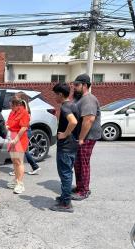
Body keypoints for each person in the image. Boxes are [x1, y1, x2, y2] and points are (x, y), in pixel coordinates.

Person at [50, 83, 79, 213]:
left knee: (65, 174)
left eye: (55, 94)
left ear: (60, 94)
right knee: (67, 173)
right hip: (72, 145)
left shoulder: (66, 107)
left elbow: (73, 121)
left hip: (66, 146)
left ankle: (66, 203)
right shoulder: (73, 104)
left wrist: (65, 134)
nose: (54, 97)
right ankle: (64, 197)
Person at [72, 74, 102, 201]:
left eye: (77, 85)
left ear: (85, 85)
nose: (74, 87)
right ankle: (80, 187)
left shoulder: (88, 100)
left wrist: (81, 138)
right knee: (78, 162)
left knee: (83, 163)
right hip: (82, 136)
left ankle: (84, 190)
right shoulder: (80, 99)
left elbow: (89, 120)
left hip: (87, 137)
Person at [8, 92, 41, 176]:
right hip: (25, 130)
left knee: (22, 151)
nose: (14, 99)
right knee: (22, 151)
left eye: (16, 97)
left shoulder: (23, 109)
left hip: (24, 131)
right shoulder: (25, 107)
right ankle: (31, 167)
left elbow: (23, 123)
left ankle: (32, 167)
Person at [6, 95, 30, 194]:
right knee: (14, 160)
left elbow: (24, 128)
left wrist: (16, 139)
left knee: (19, 161)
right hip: (12, 137)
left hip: (19, 139)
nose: (10, 108)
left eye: (12, 106)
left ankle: (20, 184)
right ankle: (16, 180)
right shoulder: (12, 112)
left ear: (17, 105)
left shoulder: (24, 113)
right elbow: (8, 123)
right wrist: (6, 127)